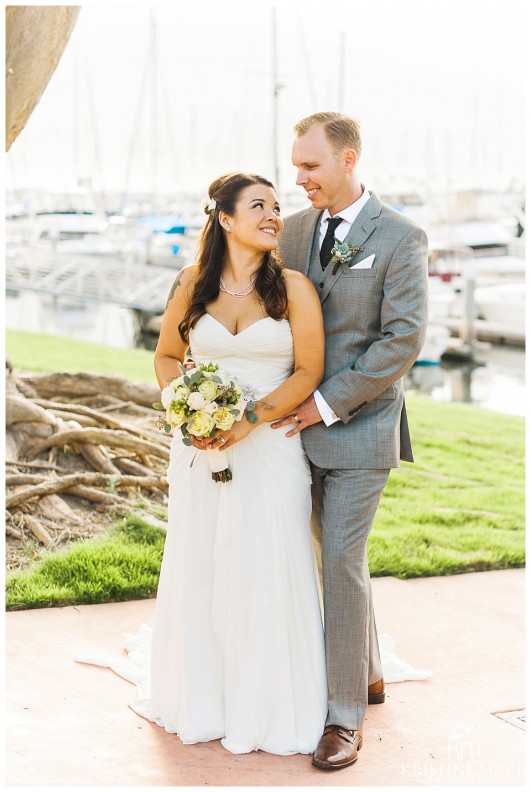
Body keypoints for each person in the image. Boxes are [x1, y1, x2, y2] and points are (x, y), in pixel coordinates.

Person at [136, 172, 328, 755]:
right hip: (200, 452)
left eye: (276, 205)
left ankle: (269, 701)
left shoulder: (293, 287)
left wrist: (248, 419)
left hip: (270, 446)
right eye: (259, 206)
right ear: (223, 218)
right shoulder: (191, 284)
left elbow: (308, 371)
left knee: (269, 563)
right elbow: (168, 356)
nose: (274, 215)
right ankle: (206, 695)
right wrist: (188, 411)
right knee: (203, 562)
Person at [273, 111, 429, 770]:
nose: (299, 178)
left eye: (308, 166)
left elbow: (403, 339)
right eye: (295, 166)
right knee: (322, 558)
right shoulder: (291, 231)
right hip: (290, 433)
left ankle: (343, 719)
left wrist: (325, 404)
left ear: (347, 159)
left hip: (360, 428)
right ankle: (364, 670)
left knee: (337, 560)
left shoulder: (399, 236)